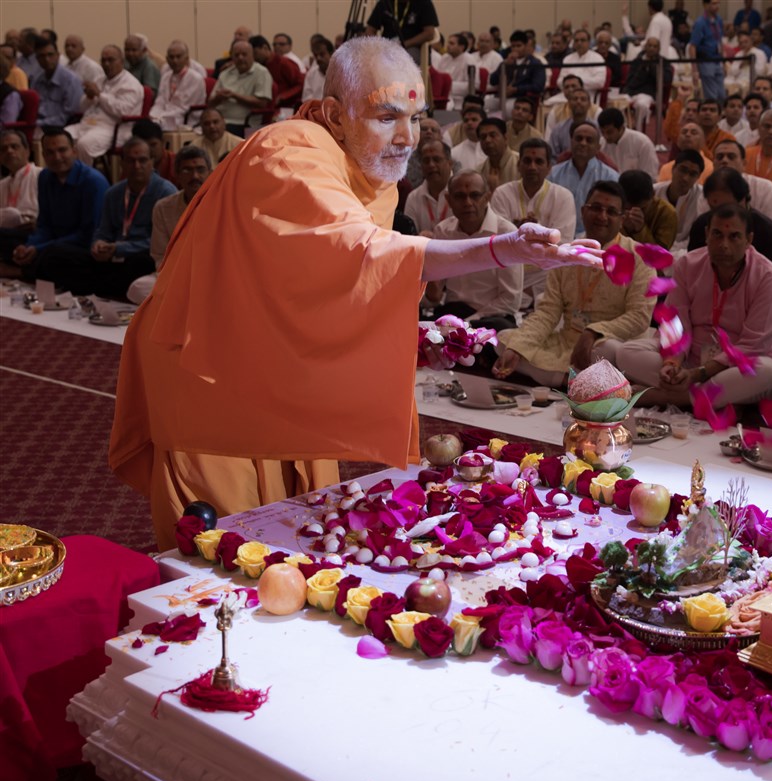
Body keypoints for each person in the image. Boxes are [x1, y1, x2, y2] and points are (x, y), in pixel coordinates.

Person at [109, 38, 605, 548]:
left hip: (275, 366)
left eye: (415, 117)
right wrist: (503, 248)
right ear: (335, 115)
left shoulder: (369, 175)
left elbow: (333, 290)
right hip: (207, 371)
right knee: (229, 551)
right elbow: (366, 254)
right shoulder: (290, 154)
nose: (407, 138)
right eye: (387, 116)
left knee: (304, 532)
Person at [619, 203, 772, 409]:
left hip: (736, 365)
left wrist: (698, 373)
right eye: (717, 234)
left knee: (769, 372)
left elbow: (754, 345)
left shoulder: (768, 277)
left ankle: (668, 397)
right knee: (627, 352)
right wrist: (672, 364)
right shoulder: (688, 265)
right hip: (690, 358)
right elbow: (676, 324)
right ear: (707, 234)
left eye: (734, 236)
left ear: (748, 240)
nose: (724, 245)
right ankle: (703, 397)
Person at [494, 181, 653, 387]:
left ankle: (560, 379)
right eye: (596, 208)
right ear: (583, 211)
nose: (602, 216)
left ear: (622, 219)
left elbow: (639, 317)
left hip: (609, 342)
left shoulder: (639, 258)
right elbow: (548, 312)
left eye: (611, 211)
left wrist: (593, 332)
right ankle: (572, 382)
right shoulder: (566, 253)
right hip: (566, 340)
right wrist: (518, 347)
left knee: (606, 352)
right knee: (503, 341)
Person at [33, 138, 176, 299]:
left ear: (152, 162)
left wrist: (119, 248)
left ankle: (97, 289)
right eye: (130, 160)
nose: (137, 166)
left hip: (137, 257)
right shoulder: (114, 192)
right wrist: (98, 243)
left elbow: (160, 243)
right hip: (111, 258)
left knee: (141, 264)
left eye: (142, 160)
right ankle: (104, 289)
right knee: (56, 255)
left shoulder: (166, 192)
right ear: (122, 163)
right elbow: (103, 230)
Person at [428, 171, 522, 333]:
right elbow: (434, 294)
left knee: (502, 331)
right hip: (452, 314)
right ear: (449, 200)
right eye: (460, 196)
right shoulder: (443, 232)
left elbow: (511, 300)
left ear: (487, 198)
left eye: (475, 196)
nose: (468, 203)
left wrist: (469, 323)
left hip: (491, 317)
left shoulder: (506, 234)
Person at [9, 129, 108, 282]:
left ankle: (19, 272)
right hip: (54, 241)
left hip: (81, 247)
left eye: (62, 150)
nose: (57, 157)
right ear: (43, 156)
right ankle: (28, 266)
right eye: (50, 152)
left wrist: (39, 248)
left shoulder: (92, 181)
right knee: (6, 236)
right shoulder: (45, 177)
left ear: (74, 151)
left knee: (54, 254)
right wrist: (29, 246)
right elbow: (44, 224)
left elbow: (88, 235)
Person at [490, 138, 576, 303]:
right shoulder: (502, 193)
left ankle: (525, 297)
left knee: (566, 264)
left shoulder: (563, 196)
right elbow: (498, 239)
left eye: (539, 162)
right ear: (518, 165)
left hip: (543, 274)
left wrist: (519, 232)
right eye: (527, 161)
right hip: (509, 270)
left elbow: (562, 243)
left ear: (549, 168)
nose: (532, 167)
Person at [126, 146, 211, 303]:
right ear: (177, 175)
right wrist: (178, 276)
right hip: (176, 275)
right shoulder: (163, 207)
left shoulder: (222, 205)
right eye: (187, 170)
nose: (195, 176)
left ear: (210, 174)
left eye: (200, 169)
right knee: (137, 288)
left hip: (213, 276)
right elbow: (159, 255)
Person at [687, 167, 772, 276]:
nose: (719, 216)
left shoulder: (769, 234)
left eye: (726, 210)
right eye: (714, 209)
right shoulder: (701, 226)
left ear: (743, 201)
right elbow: (693, 273)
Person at [64, 44, 143, 164]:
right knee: (62, 137)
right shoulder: (99, 79)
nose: (106, 64)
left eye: (110, 60)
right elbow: (82, 108)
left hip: (112, 128)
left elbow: (123, 112)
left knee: (84, 145)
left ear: (121, 62)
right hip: (88, 124)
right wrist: (89, 97)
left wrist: (99, 95)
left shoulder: (130, 84)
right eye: (104, 60)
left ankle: (83, 179)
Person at [549, 121, 620, 236]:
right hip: (557, 237)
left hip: (595, 238)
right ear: (571, 142)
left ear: (598, 147)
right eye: (579, 138)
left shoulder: (610, 177)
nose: (583, 143)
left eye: (589, 140)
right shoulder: (553, 174)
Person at [704, 139, 772, 225]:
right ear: (713, 164)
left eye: (731, 157)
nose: (724, 161)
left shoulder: (766, 189)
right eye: (719, 157)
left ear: (744, 164)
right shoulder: (708, 189)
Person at [208, 41, 272, 136]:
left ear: (252, 56)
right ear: (232, 57)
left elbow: (261, 103)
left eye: (244, 54)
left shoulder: (262, 73)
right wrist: (219, 97)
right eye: (236, 55)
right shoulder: (225, 73)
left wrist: (234, 95)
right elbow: (210, 103)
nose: (240, 58)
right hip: (219, 121)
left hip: (244, 123)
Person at [0, 129, 40, 269]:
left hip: (33, 235)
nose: (9, 151)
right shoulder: (2, 184)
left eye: (14, 146)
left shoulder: (40, 175)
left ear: (27, 151)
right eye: (3, 149)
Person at [655, 148, 705, 253]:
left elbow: (696, 237)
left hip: (685, 252)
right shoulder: (653, 191)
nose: (685, 178)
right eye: (683, 170)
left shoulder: (702, 197)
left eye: (692, 174)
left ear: (698, 177)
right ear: (673, 168)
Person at [149, 41, 206, 130]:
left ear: (186, 59)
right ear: (167, 59)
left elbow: (183, 107)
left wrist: (160, 117)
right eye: (171, 57)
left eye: (178, 57)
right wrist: (153, 115)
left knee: (152, 129)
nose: (175, 61)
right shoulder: (166, 76)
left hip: (185, 120)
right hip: (164, 117)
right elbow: (160, 102)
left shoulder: (195, 78)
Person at [488, 31, 546, 114]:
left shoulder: (535, 63)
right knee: (484, 106)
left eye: (519, 46)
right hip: (502, 97)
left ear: (526, 46)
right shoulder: (507, 62)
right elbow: (492, 81)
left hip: (521, 98)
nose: (515, 49)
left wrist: (516, 89)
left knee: (507, 109)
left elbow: (538, 86)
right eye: (513, 46)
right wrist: (504, 65)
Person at [30, 36, 83, 128]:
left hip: (61, 128)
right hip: (38, 126)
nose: (46, 59)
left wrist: (38, 124)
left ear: (58, 55)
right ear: (37, 59)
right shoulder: (37, 79)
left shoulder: (71, 80)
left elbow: (69, 116)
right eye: (42, 56)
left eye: (50, 55)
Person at [622, 36, 673, 131]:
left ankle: (638, 130)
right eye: (649, 45)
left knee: (641, 105)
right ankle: (624, 129)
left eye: (655, 46)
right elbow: (630, 82)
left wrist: (652, 66)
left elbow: (666, 80)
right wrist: (643, 67)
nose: (652, 48)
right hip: (632, 91)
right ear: (645, 47)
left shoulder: (663, 62)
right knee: (617, 103)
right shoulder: (637, 61)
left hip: (649, 94)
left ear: (659, 49)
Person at [403, 138, 452, 235]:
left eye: (436, 159)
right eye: (426, 161)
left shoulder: (463, 193)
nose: (431, 165)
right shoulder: (413, 197)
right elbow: (409, 236)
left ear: (450, 163)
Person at [619, 169, 676, 249]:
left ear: (653, 194)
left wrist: (640, 230)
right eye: (628, 209)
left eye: (642, 208)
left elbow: (660, 256)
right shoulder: (613, 207)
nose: (634, 213)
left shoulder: (667, 213)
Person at [365, 0, 439, 62]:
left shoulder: (424, 3)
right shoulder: (385, 3)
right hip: (387, 47)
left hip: (413, 47)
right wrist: (378, 46)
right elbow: (370, 30)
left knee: (399, 60)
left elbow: (429, 33)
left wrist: (404, 44)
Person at [598, 108, 658, 176]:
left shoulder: (642, 143)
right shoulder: (601, 144)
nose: (606, 136)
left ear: (621, 127)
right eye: (602, 132)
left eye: (609, 132)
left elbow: (650, 174)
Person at [690, 0, 726, 103]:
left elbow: (720, 41)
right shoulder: (700, 23)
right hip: (705, 60)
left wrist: (724, 62)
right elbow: (693, 46)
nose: (717, 6)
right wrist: (694, 70)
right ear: (705, 5)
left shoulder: (718, 20)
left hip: (717, 60)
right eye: (713, 4)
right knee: (711, 95)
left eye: (718, 3)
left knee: (722, 94)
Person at [476, 117, 519, 190]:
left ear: (505, 138)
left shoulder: (521, 163)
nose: (487, 140)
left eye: (493, 135)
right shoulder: (479, 171)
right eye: (483, 137)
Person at [301, 36, 332, 103]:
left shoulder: (341, 74)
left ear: (331, 54)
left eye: (322, 54)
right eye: (315, 55)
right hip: (315, 110)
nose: (318, 58)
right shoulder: (311, 74)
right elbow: (306, 99)